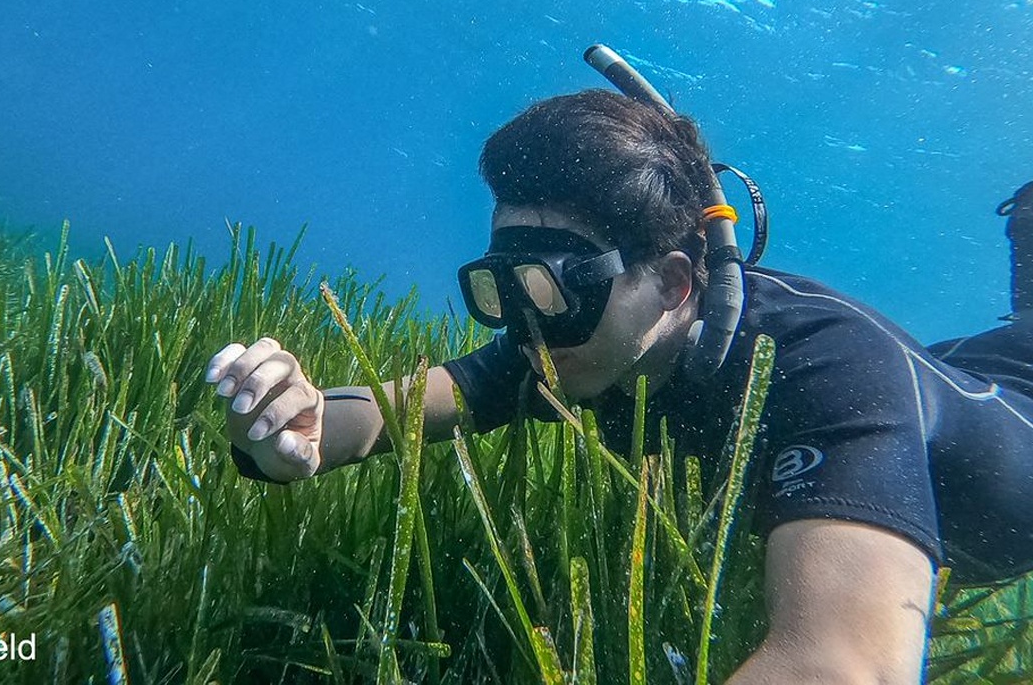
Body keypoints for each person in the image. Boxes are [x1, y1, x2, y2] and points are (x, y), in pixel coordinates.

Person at [204, 90, 1033, 684]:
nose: (525, 328)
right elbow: (381, 418)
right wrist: (294, 430)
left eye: (556, 288)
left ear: (675, 283)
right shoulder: (574, 348)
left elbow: (850, 666)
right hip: (960, 370)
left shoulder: (823, 365)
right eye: (501, 291)